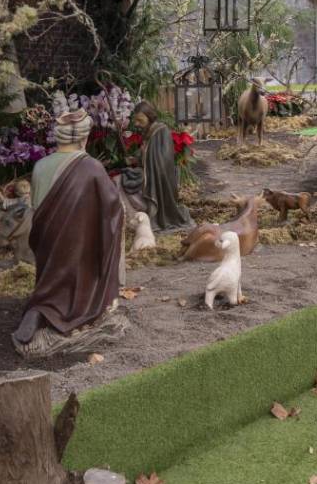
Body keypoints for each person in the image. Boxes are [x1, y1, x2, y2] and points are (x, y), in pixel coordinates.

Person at [12, 110, 126, 357]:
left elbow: (36, 206)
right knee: (81, 278)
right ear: (83, 139)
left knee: (51, 278)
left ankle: (41, 308)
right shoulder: (92, 167)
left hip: (47, 240)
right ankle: (63, 313)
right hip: (78, 244)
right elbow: (111, 209)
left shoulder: (40, 166)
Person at [126, 100, 192, 231]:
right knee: (126, 176)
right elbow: (147, 151)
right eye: (136, 121)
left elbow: (163, 158)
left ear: (149, 116)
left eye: (140, 120)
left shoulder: (161, 131)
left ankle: (154, 217)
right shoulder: (148, 132)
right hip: (149, 171)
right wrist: (136, 158)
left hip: (159, 176)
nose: (137, 124)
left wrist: (143, 158)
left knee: (128, 179)